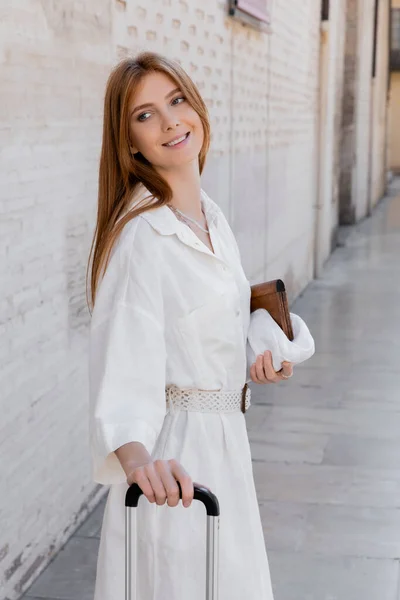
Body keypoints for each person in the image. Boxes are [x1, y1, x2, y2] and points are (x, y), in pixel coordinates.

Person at [87, 51, 294, 600]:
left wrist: (258, 350)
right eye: (146, 114)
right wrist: (140, 464)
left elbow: (221, 314)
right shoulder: (142, 239)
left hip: (228, 448)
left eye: (177, 101)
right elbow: (121, 363)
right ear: (129, 140)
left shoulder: (213, 219)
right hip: (176, 467)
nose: (171, 121)